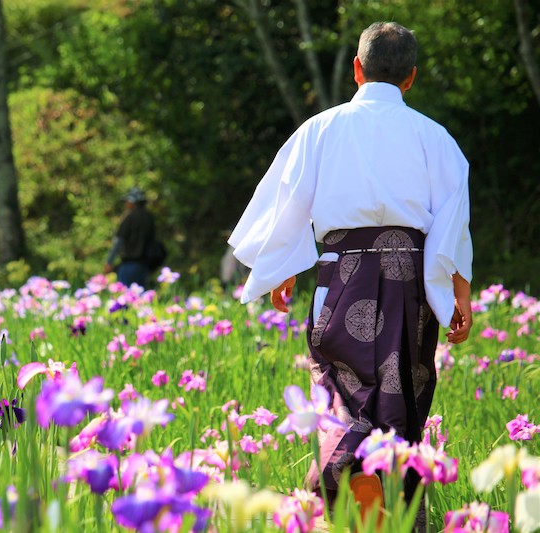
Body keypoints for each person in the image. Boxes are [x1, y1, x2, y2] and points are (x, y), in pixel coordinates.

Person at [228, 21, 473, 520]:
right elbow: (453, 225)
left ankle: (343, 495)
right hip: (413, 281)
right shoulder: (436, 137)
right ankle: (398, 512)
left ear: (357, 69)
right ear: (411, 78)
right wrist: (459, 294)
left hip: (342, 273)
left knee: (341, 392)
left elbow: (287, 202)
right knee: (403, 392)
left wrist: (284, 270)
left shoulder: (321, 128)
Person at [104, 187, 157, 288]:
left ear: (133, 202)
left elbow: (119, 241)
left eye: (127, 201)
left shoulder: (130, 217)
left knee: (125, 297)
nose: (126, 204)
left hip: (129, 265)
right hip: (144, 266)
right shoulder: (149, 218)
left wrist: (109, 261)